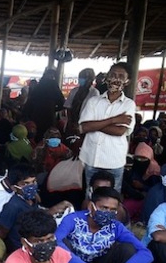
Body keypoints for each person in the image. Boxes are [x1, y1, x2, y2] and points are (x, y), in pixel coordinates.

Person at [78, 62, 136, 191]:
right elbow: (84, 127)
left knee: (112, 198)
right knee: (91, 195)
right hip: (91, 158)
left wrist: (95, 124)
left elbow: (120, 131)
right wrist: (114, 120)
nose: (116, 79)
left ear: (127, 81)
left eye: (121, 76)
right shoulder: (94, 101)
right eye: (113, 75)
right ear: (107, 77)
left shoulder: (129, 104)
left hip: (114, 161)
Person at [0, 164, 71, 253]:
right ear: (14, 188)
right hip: (23, 246)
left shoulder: (32, 199)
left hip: (38, 239)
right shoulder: (12, 206)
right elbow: (2, 233)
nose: (31, 186)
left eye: (33, 181)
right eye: (25, 183)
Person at [22, 68, 65, 140]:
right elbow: (62, 103)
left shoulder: (38, 86)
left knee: (37, 136)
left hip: (36, 115)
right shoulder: (53, 85)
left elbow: (30, 102)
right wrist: (54, 109)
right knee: (48, 137)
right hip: (49, 116)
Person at [64, 68, 99, 135]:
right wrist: (71, 122)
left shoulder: (94, 93)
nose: (80, 79)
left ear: (89, 79)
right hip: (71, 123)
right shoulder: (74, 90)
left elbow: (94, 111)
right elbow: (68, 107)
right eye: (80, 77)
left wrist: (80, 124)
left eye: (83, 78)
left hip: (85, 125)